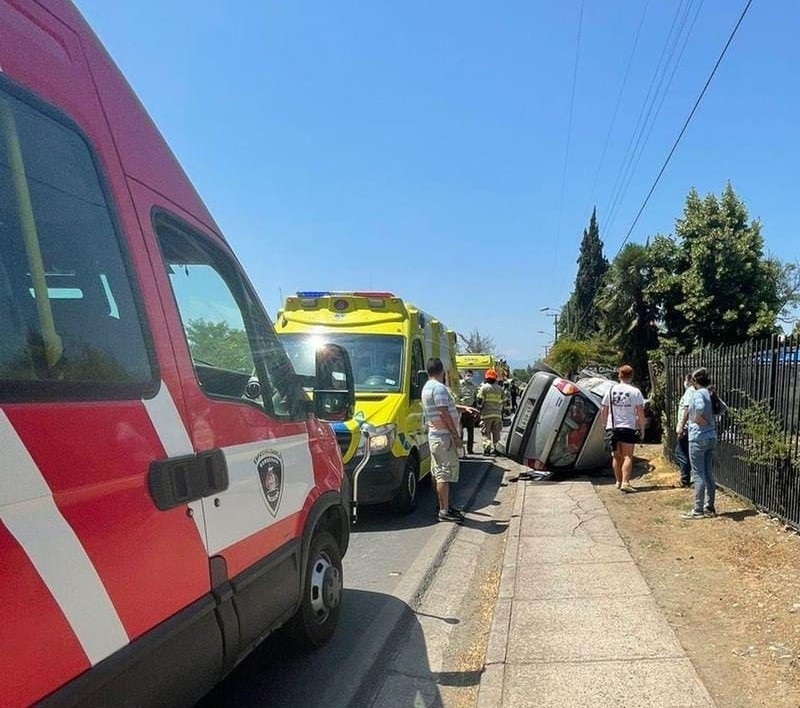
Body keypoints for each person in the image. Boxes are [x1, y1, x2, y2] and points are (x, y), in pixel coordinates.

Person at [421, 357, 465, 522]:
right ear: (442, 371)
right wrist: (456, 436)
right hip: (444, 436)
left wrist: (462, 408)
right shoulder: (439, 388)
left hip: (436, 435)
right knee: (444, 475)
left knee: (438, 472)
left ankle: (442, 505)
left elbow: (445, 408)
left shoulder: (427, 387)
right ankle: (444, 511)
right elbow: (442, 411)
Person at [678, 367, 719, 519]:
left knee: (698, 474)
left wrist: (698, 420)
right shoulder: (710, 392)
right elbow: (722, 409)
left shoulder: (697, 394)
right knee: (708, 472)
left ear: (694, 381)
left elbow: (699, 409)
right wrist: (709, 422)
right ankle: (710, 506)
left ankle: (698, 509)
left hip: (698, 437)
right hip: (711, 436)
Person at [600, 364, 645, 493]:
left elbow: (604, 408)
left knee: (616, 455)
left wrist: (604, 424)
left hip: (612, 426)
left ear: (619, 375)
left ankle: (618, 481)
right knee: (628, 456)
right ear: (631, 376)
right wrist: (642, 429)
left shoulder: (610, 390)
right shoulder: (635, 392)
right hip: (628, 426)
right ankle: (626, 481)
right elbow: (640, 412)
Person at [476, 368, 504, 455]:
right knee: (496, 433)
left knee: (486, 433)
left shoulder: (484, 388)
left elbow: (479, 400)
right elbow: (503, 401)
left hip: (486, 414)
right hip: (497, 415)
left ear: (486, 378)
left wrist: (479, 410)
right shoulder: (500, 389)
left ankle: (487, 450)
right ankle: (497, 449)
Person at [674, 372, 694, 487]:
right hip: (689, 427)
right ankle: (685, 477)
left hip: (686, 428)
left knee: (682, 452)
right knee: (682, 452)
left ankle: (685, 479)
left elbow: (687, 410)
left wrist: (681, 426)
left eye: (686, 380)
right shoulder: (693, 392)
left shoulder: (690, 392)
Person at [457, 370, 478, 455]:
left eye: (470, 375)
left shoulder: (474, 386)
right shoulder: (459, 384)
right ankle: (461, 451)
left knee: (470, 431)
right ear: (464, 375)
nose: (469, 377)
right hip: (461, 410)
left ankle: (470, 449)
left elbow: (475, 398)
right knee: (460, 432)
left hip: (470, 411)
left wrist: (475, 410)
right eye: (468, 375)